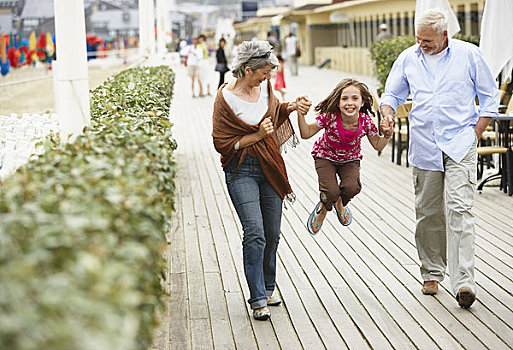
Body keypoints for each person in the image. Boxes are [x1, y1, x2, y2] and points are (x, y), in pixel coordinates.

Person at [379, 8, 499, 308]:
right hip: (424, 147)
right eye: (418, 39)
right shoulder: (408, 58)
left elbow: (489, 98)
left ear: (445, 35)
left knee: (460, 209)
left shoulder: (469, 55)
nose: (422, 44)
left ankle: (464, 281)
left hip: (460, 145)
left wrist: (474, 133)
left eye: (428, 40)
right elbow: (391, 94)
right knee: (428, 213)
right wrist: (388, 114)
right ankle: (431, 272)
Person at [212, 40, 308, 321]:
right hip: (241, 169)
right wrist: (256, 136)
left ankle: (268, 287)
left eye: (268, 73)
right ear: (246, 69)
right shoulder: (225, 99)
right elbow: (221, 141)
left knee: (272, 233)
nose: (266, 78)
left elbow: (275, 113)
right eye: (262, 73)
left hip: (270, 167)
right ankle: (257, 298)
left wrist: (292, 106)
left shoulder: (266, 89)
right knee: (254, 232)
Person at [296, 78, 392, 235]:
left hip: (350, 160)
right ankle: (323, 209)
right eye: (344, 98)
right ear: (338, 102)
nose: (350, 103)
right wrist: (301, 115)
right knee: (330, 192)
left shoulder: (365, 121)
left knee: (352, 188)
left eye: (355, 98)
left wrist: (386, 136)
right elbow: (306, 133)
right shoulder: (330, 116)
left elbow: (378, 145)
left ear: (362, 102)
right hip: (325, 156)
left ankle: (340, 203)